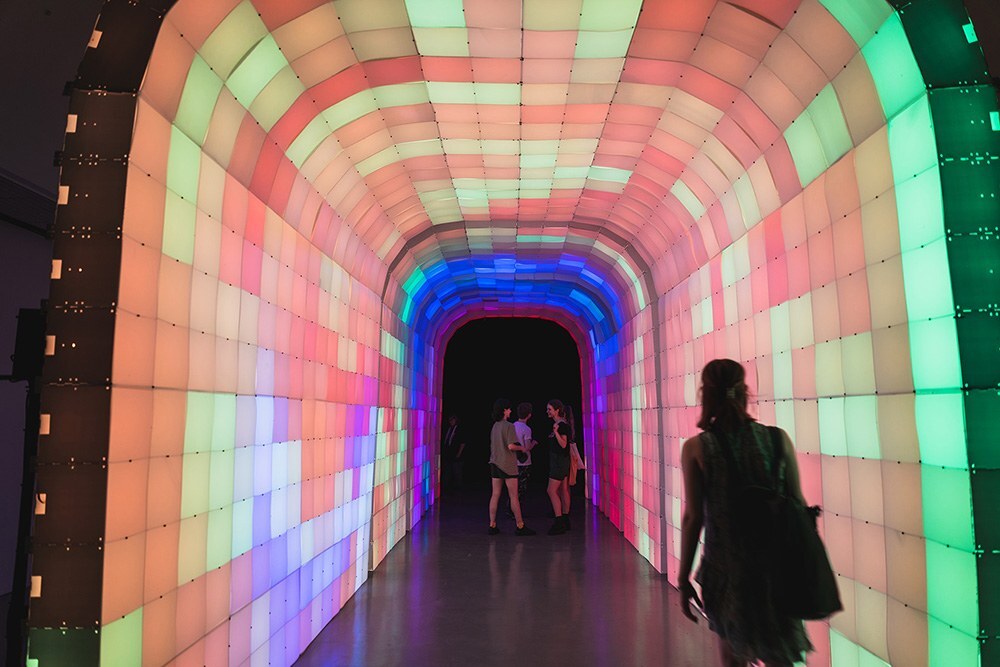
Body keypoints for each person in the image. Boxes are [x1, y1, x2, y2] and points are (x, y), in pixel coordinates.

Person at [677, 359, 813, 667]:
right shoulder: (778, 440)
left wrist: (684, 578)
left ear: (705, 395)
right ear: (745, 392)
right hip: (777, 567)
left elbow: (694, 517)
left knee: (733, 655)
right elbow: (798, 505)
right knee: (782, 655)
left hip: (727, 570)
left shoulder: (697, 449)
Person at [488, 399, 535, 536]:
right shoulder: (509, 426)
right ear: (504, 410)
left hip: (494, 464)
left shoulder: (495, 426)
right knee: (514, 496)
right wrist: (522, 448)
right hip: (507, 465)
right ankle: (520, 526)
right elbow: (510, 446)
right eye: (508, 409)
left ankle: (492, 525)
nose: (510, 411)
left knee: (495, 494)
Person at [544, 399, 572, 535]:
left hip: (559, 462)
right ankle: (565, 519)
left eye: (550, 409)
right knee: (563, 489)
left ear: (557, 410)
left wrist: (555, 433)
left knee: (551, 490)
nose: (547, 412)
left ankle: (559, 520)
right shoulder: (560, 424)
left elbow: (563, 444)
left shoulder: (560, 425)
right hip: (561, 461)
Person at [511, 402, 537, 513]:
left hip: (512, 461)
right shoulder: (526, 429)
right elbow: (526, 448)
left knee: (512, 489)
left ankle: (511, 510)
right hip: (524, 462)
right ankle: (517, 512)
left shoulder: (512, 426)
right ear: (529, 415)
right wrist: (534, 443)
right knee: (521, 489)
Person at [442, 414, 465, 491]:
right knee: (448, 471)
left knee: (457, 472)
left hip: (456, 455)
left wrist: (459, 453)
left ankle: (458, 488)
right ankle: (447, 488)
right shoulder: (449, 429)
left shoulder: (459, 429)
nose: (451, 421)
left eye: (452, 420)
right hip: (449, 454)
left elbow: (462, 443)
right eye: (450, 420)